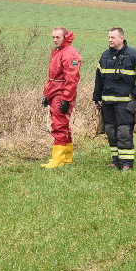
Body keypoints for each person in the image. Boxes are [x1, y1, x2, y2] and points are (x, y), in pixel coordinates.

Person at [93, 27, 136, 170]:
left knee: (124, 132)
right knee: (111, 132)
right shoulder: (105, 55)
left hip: (125, 103)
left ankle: (127, 163)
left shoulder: (134, 55)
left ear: (121, 38)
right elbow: (98, 78)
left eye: (112, 37)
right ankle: (116, 160)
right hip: (107, 102)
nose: (109, 40)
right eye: (109, 37)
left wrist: (135, 93)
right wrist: (97, 97)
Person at [40, 26, 82, 169]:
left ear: (65, 37)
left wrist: (66, 99)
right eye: (53, 37)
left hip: (62, 93)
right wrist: (46, 94)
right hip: (55, 92)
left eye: (57, 37)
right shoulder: (59, 52)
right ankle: (67, 156)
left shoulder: (70, 54)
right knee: (64, 125)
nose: (55, 40)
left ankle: (57, 160)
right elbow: (52, 77)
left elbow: (72, 79)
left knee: (59, 125)